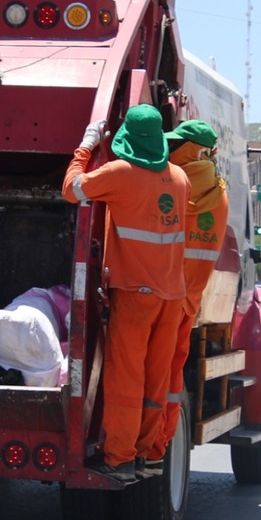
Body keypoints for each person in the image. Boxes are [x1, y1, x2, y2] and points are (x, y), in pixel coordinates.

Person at [62, 105, 190, 482]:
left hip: (136, 293)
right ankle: (148, 455)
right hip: (172, 294)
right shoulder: (179, 178)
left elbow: (73, 190)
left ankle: (119, 458)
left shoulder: (121, 174)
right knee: (155, 379)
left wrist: (85, 148)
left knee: (126, 378)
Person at [149, 119, 229, 473]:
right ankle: (158, 444)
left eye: (177, 145)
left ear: (196, 152)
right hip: (188, 302)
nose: (170, 150)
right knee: (169, 380)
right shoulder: (219, 192)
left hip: (159, 297)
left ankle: (145, 442)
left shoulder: (175, 183)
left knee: (148, 376)